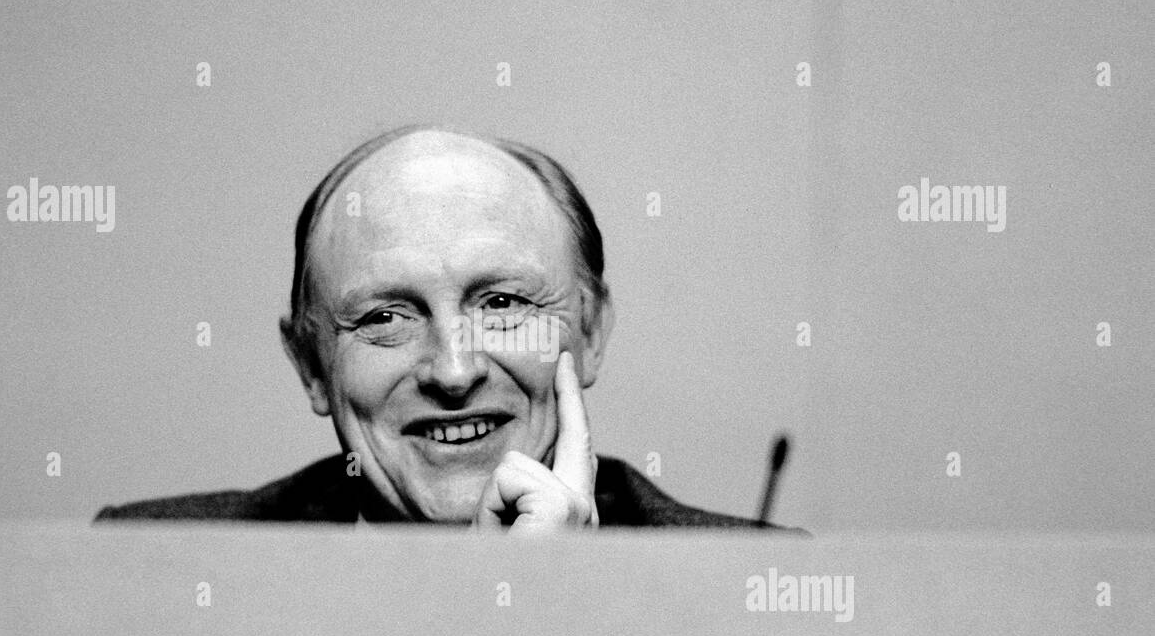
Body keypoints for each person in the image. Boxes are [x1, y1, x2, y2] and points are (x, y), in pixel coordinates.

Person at [96, 126, 804, 533]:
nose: (455, 370)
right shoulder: (151, 569)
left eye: (501, 304)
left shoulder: (753, 590)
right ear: (311, 364)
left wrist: (557, 613)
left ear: (589, 332)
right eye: (384, 317)